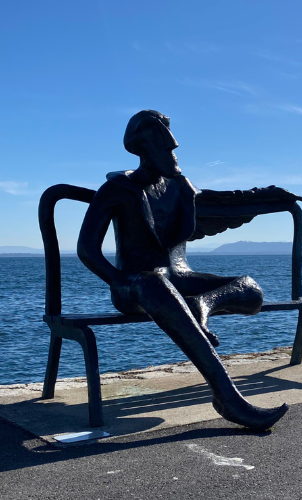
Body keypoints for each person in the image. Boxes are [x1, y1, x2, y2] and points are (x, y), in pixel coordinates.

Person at [77, 110, 288, 430]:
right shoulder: (118, 188)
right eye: (164, 146)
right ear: (143, 148)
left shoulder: (180, 187)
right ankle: (228, 397)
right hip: (137, 284)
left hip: (180, 278)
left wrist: (262, 198)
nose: (173, 150)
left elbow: (211, 213)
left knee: (250, 289)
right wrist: (117, 281)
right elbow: (87, 249)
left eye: (173, 146)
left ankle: (202, 304)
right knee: (155, 283)